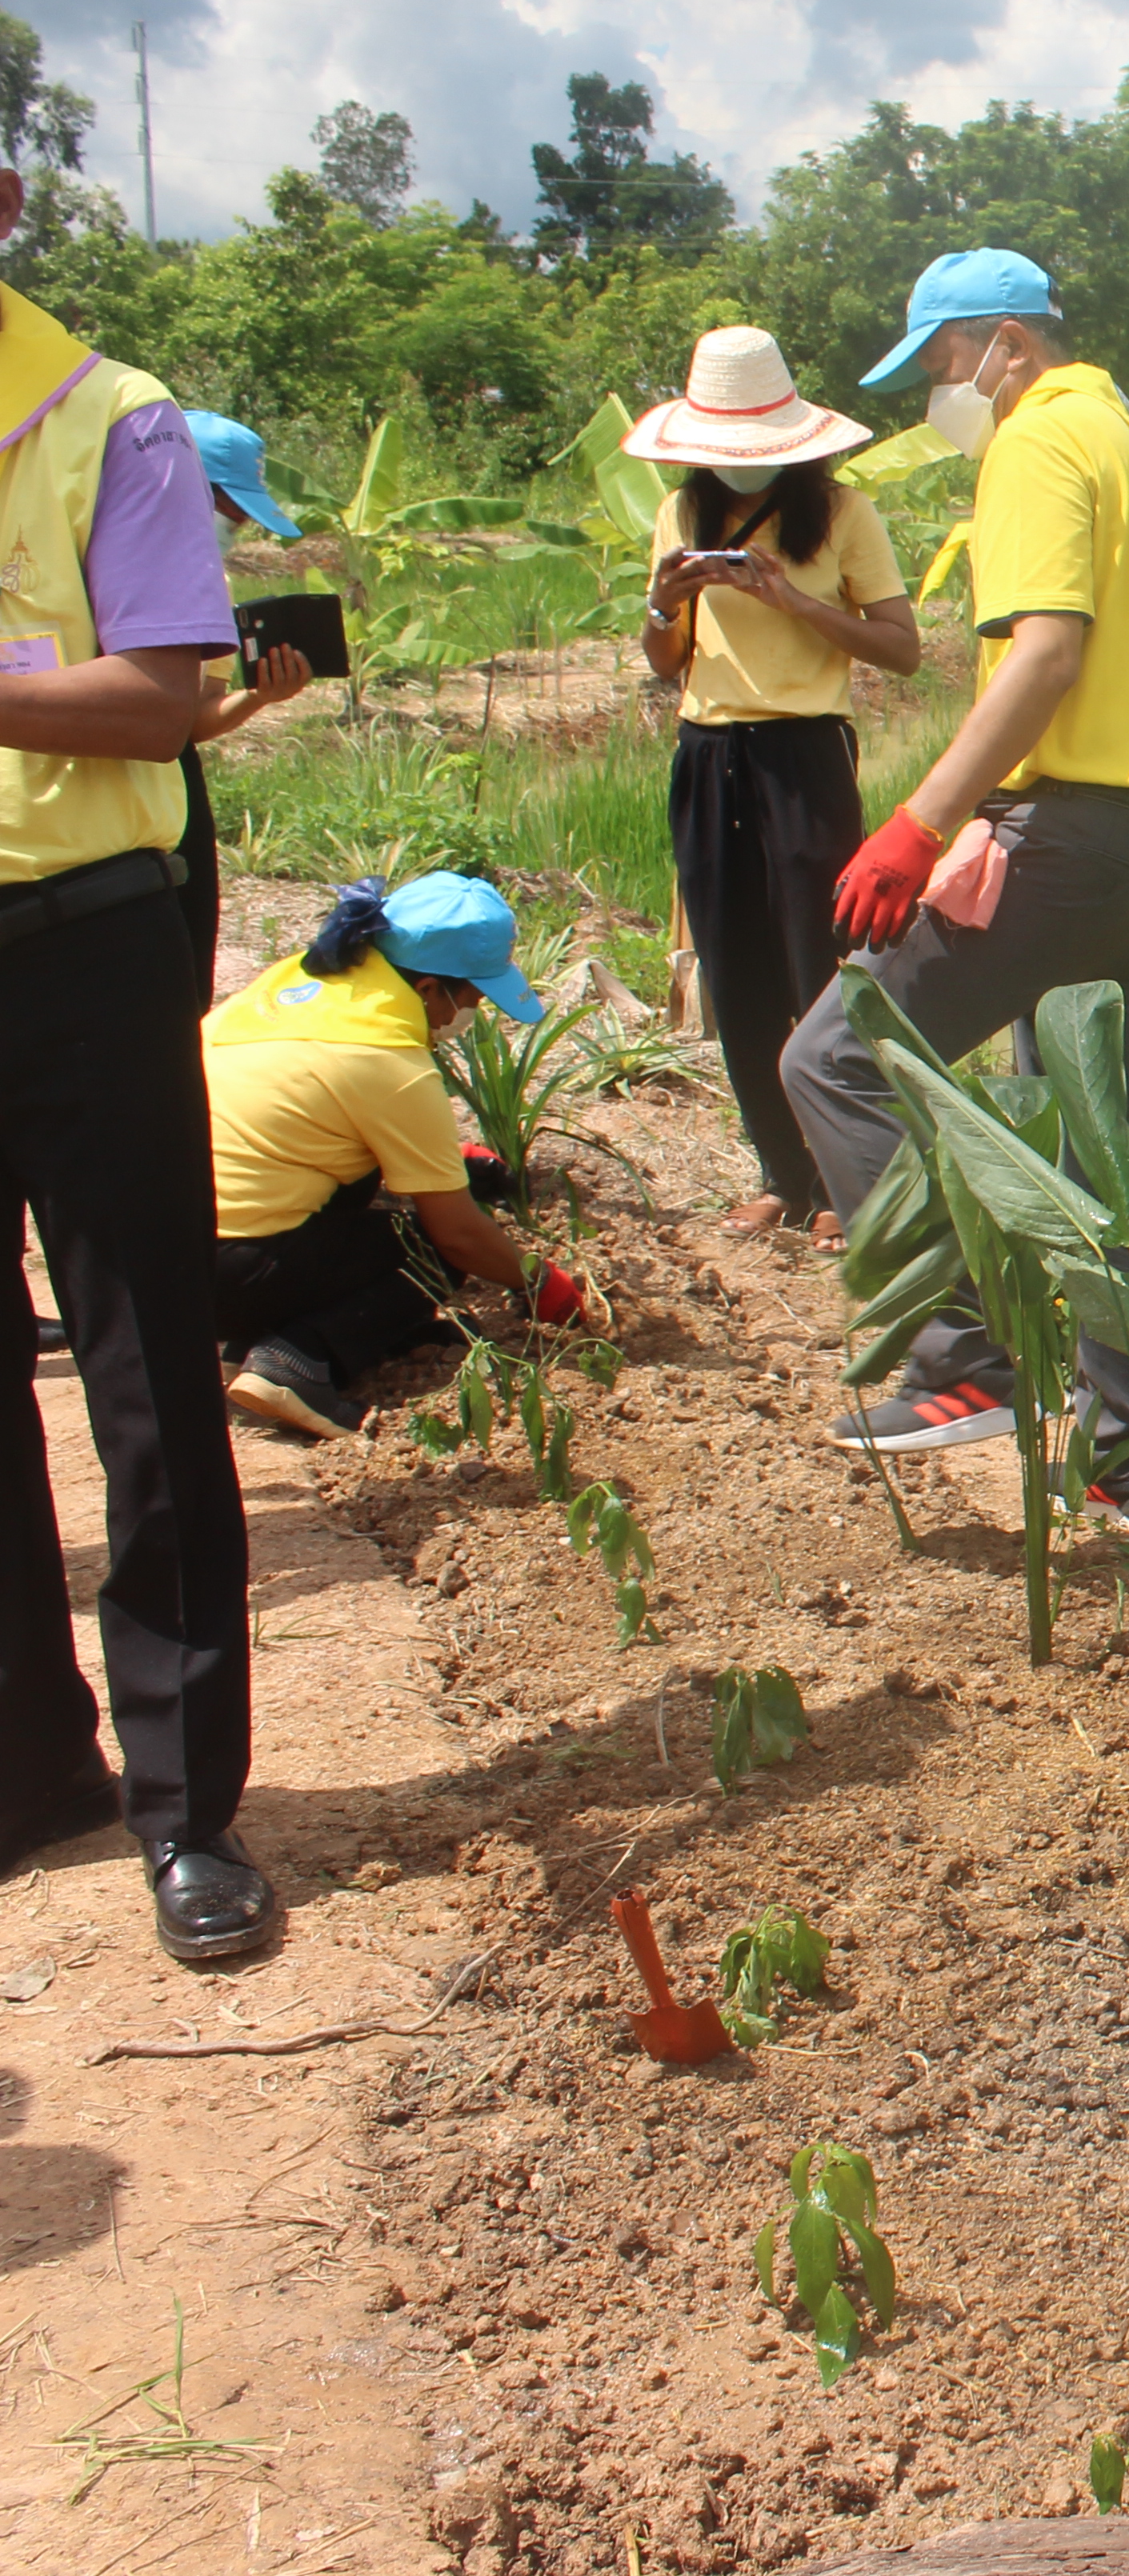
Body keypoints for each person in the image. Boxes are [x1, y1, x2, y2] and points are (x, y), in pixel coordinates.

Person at [779, 251, 1129, 1533]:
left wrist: (923, 821)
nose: (938, 393)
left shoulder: (1035, 444)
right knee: (1094, 1166)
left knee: (835, 1058)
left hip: (1068, 833)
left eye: (940, 364)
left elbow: (1052, 655)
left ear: (1005, 345)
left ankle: (958, 1358)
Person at [0, 164, 268, 1962]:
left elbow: (165, 692)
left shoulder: (116, 421)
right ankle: (29, 1773)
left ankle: (190, 1812)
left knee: (146, 1368)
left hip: (76, 937)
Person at [629, 328, 917, 1240]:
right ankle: (779, 1171)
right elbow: (665, 661)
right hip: (709, 753)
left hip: (804, 753)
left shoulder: (841, 514)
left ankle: (842, 1180)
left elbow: (902, 649)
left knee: (816, 960)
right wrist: (665, 604)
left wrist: (790, 601)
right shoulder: (680, 515)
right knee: (734, 963)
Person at [206, 872, 612, 1442]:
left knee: (366, 1195)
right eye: (470, 997)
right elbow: (459, 1236)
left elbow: (303, 1118)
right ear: (427, 989)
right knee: (432, 1248)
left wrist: (445, 1158)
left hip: (154, 1261)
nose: (470, 1012)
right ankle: (294, 1361)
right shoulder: (388, 1058)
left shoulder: (296, 983)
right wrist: (538, 1281)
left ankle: (260, 1331)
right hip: (229, 1273)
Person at [179, 410, 317, 995]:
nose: (231, 526)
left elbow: (189, 722)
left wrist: (259, 697)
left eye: (237, 518)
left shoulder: (209, 580)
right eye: (225, 509)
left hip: (164, 787)